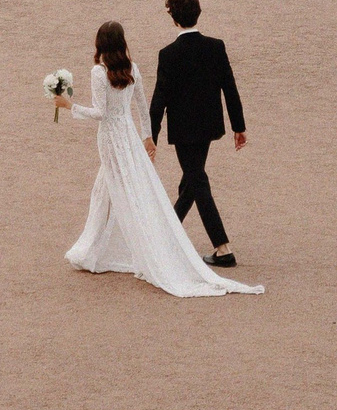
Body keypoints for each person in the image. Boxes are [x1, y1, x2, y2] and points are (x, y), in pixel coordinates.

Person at [54, 21, 260, 298]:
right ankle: (103, 248)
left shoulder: (98, 72)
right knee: (114, 188)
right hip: (128, 136)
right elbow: (141, 104)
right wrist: (147, 137)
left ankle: (104, 249)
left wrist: (69, 106)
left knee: (110, 189)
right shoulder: (133, 68)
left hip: (111, 138)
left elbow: (101, 113)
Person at [148, 0, 246, 269]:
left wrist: (150, 137)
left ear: (173, 17)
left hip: (183, 131)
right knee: (191, 180)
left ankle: (223, 248)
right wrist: (239, 126)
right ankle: (168, 234)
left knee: (196, 180)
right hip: (209, 127)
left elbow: (159, 102)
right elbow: (230, 88)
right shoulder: (216, 46)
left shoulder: (168, 55)